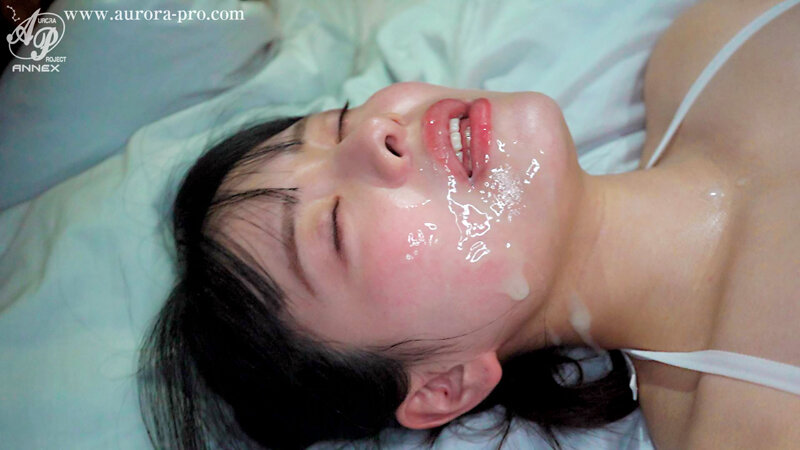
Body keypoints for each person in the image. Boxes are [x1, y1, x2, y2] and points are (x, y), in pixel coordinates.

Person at [138, 0, 800, 449]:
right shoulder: (757, 428)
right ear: (444, 386)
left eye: (336, 125)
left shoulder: (707, 43)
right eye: (333, 228)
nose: (374, 135)